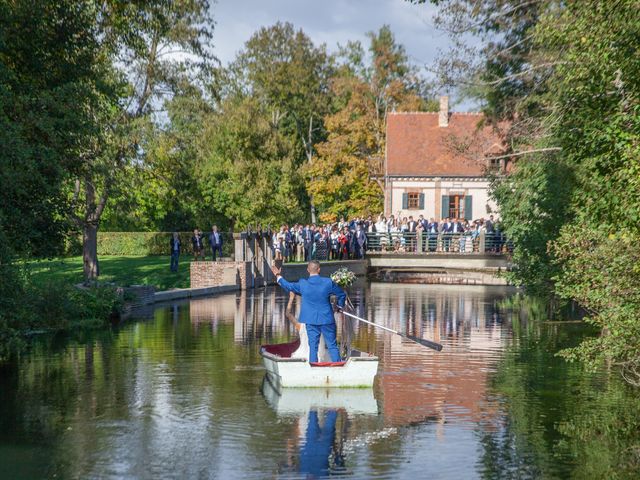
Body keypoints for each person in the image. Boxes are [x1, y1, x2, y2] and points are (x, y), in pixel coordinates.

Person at [271, 260, 346, 363]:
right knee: (332, 346)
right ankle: (338, 367)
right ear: (319, 270)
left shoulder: (303, 284)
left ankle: (313, 367)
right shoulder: (328, 282)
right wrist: (339, 306)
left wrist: (278, 275)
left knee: (313, 347)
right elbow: (341, 294)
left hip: (310, 320)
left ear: (307, 270)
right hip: (327, 319)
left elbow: (288, 286)